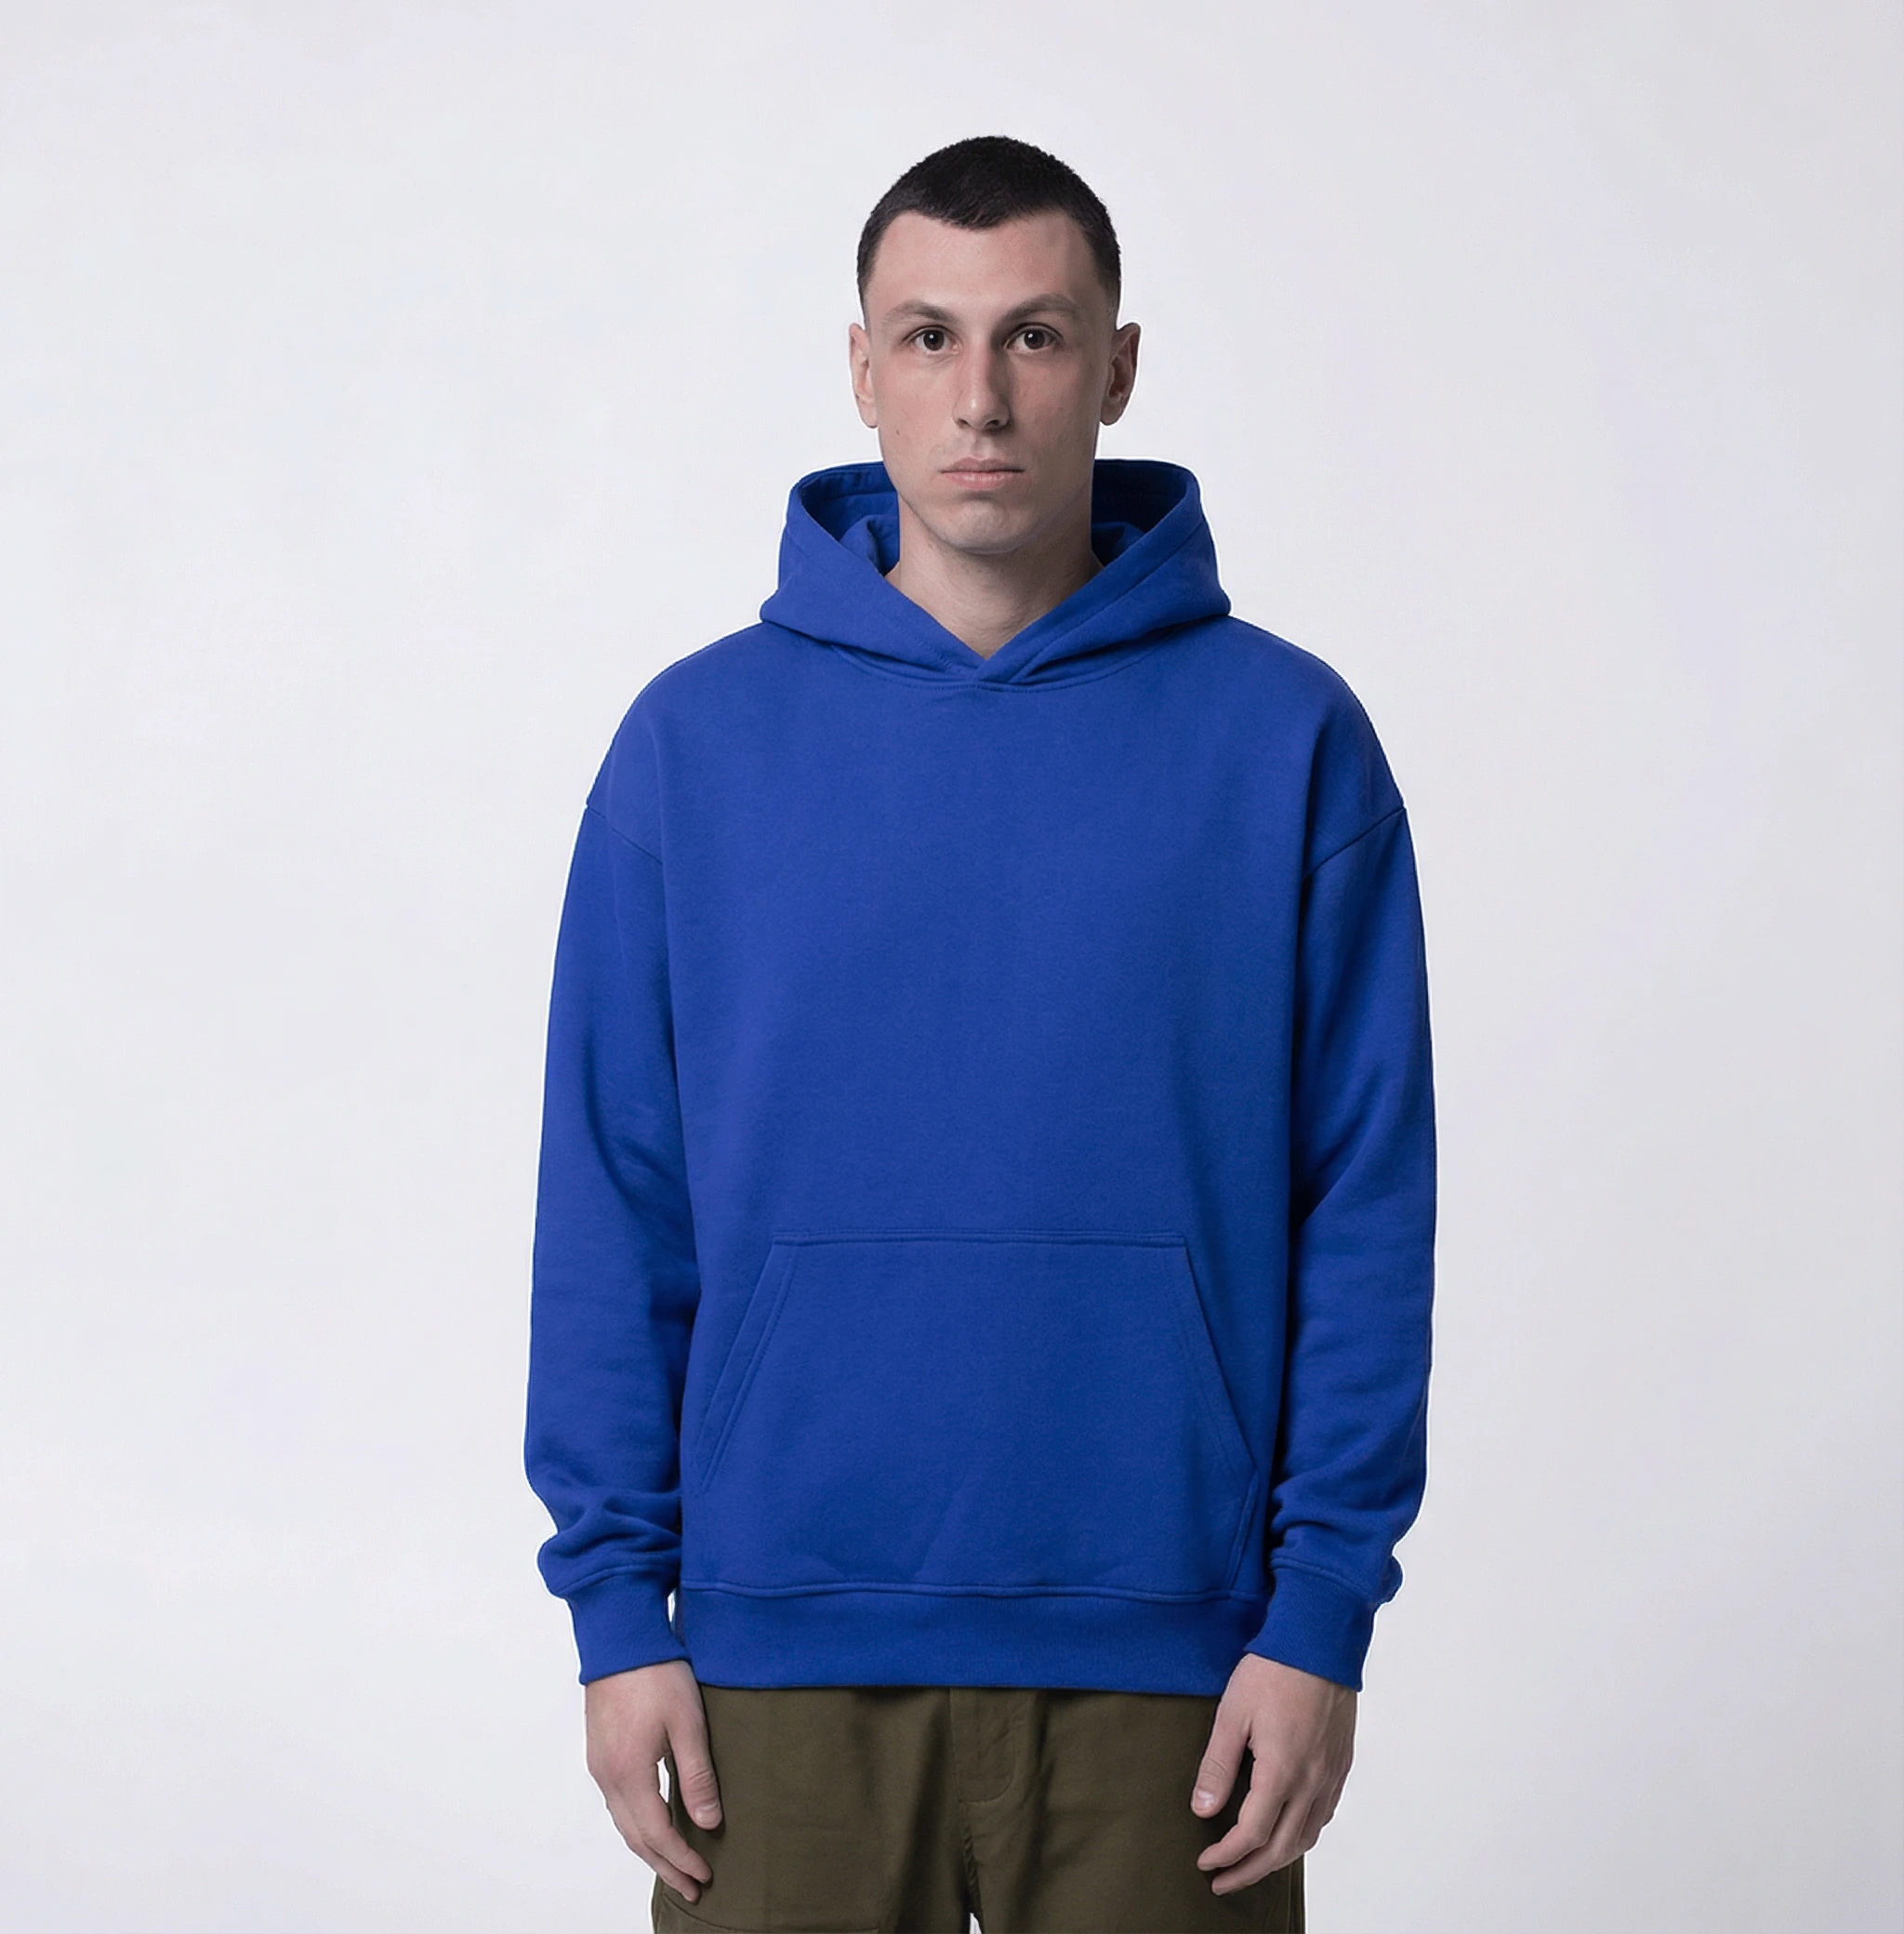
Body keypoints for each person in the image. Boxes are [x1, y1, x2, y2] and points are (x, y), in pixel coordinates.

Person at [524, 134, 1435, 1933]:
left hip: (1182, 1669)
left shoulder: (1287, 741)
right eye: (930, 337)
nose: (983, 397)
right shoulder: (693, 748)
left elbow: (1366, 1197)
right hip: (772, 1667)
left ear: (1117, 365)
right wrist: (616, 1614)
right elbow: (616, 1201)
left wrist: (1324, 1611)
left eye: (1035, 335)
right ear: (863, 369)